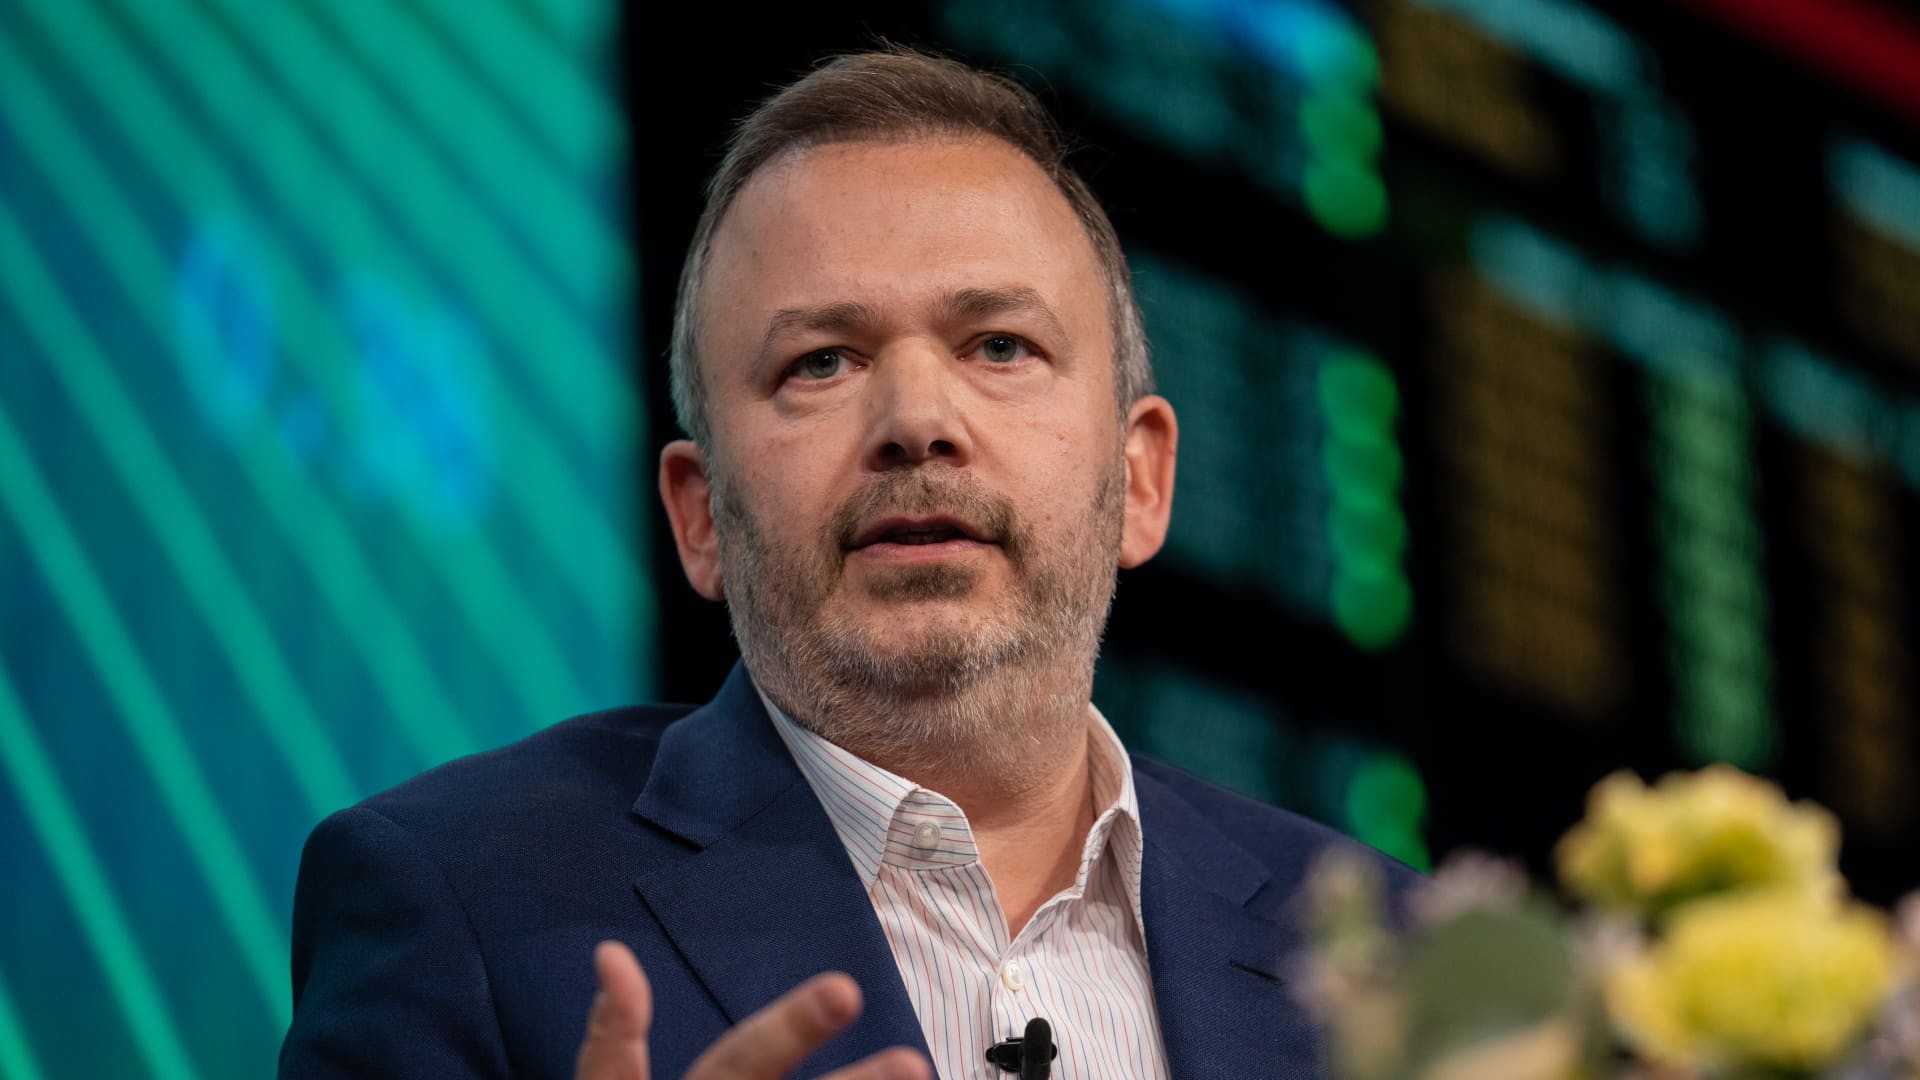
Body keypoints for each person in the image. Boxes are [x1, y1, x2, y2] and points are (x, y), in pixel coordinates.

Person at [279, 48, 1418, 1080]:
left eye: (1000, 346)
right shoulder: (458, 903)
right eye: (821, 362)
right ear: (701, 516)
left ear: (1142, 480)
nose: (917, 420)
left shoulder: (1402, 966)